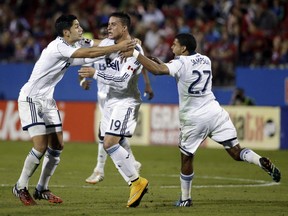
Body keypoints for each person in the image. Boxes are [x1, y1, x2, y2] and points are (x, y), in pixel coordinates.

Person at [123, 33, 281, 207]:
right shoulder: (206, 59)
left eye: (174, 44)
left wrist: (136, 54)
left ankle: (185, 199)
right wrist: (162, 63)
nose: (171, 47)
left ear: (183, 48)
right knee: (236, 151)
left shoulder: (179, 63)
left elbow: (158, 71)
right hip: (215, 112)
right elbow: (179, 69)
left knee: (187, 158)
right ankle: (260, 161)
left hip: (193, 118)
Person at [12, 14, 136, 206]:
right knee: (40, 146)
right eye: (77, 26)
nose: (81, 29)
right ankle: (20, 186)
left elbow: (96, 48)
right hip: (30, 98)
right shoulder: (58, 46)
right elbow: (88, 54)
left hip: (47, 100)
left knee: (57, 147)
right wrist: (119, 47)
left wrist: (129, 42)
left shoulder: (73, 45)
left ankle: (42, 188)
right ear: (66, 32)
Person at [78, 12, 149, 208]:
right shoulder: (111, 44)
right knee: (107, 139)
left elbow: (122, 81)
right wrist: (75, 37)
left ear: (124, 28)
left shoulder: (134, 49)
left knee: (109, 142)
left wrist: (95, 73)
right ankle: (133, 171)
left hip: (126, 101)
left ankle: (136, 181)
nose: (109, 28)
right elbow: (92, 43)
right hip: (110, 102)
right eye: (108, 24)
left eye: (113, 24)